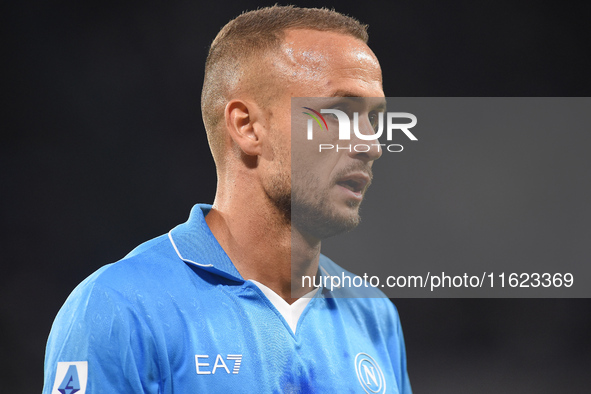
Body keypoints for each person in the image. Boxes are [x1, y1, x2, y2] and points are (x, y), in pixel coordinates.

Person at [43, 6, 411, 393]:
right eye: (340, 112)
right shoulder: (118, 309)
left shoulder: (373, 314)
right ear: (247, 127)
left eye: (374, 119)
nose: (371, 145)